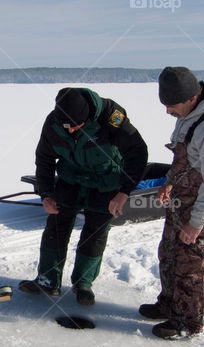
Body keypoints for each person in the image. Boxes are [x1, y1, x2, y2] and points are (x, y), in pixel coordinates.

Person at [140, 67, 204, 339]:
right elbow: (184, 158)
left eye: (171, 105)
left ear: (191, 98)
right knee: (169, 254)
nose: (167, 112)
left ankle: (187, 323)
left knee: (191, 266)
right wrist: (169, 183)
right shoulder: (188, 115)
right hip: (182, 200)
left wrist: (196, 222)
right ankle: (170, 305)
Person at [19, 87, 148, 305]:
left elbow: (138, 153)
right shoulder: (54, 121)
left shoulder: (112, 118)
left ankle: (83, 284)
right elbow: (44, 158)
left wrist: (124, 191)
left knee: (94, 233)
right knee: (56, 227)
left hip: (106, 180)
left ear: (87, 117)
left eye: (75, 126)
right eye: (65, 126)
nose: (69, 131)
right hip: (71, 178)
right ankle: (48, 281)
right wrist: (46, 194)